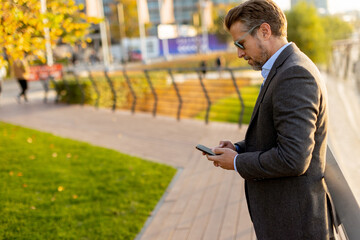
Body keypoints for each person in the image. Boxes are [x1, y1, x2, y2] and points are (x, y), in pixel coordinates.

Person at [203, 0, 336, 239]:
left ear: (265, 31)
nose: (239, 53)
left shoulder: (294, 74)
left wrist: (237, 162)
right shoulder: (284, 68)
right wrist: (238, 149)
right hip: (289, 221)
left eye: (241, 43)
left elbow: (294, 158)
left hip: (296, 226)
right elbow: (280, 136)